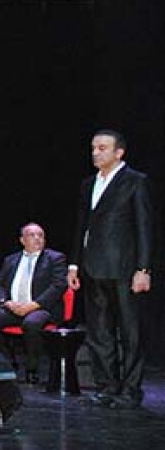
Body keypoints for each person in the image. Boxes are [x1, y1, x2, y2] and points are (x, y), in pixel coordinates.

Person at [68, 129, 153, 409]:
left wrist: (143, 269)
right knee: (99, 332)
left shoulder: (135, 181)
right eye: (93, 148)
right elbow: (82, 226)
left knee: (130, 332)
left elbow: (144, 227)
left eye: (102, 148)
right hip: (93, 267)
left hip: (124, 268)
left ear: (119, 152)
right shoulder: (88, 183)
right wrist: (74, 264)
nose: (95, 153)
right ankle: (107, 386)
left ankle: (130, 390)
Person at [0, 223, 68, 384]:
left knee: (31, 323)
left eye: (41, 235)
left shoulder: (55, 258)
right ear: (22, 240)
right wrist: (6, 302)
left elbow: (58, 286)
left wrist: (33, 305)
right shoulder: (11, 260)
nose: (37, 238)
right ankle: (6, 364)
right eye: (32, 235)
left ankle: (32, 368)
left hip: (41, 308)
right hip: (14, 307)